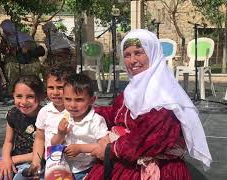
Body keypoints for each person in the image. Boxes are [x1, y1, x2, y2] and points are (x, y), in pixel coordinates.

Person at [85, 29, 212, 180]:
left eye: (138, 53)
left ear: (153, 54)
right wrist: (84, 110)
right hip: (125, 160)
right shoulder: (132, 89)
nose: (132, 61)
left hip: (154, 168)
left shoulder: (163, 96)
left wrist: (109, 149)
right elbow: (114, 113)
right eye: (127, 55)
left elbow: (148, 138)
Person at [0, 75, 44, 180]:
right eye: (19, 96)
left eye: (30, 96)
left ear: (41, 96)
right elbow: (8, 141)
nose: (23, 102)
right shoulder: (13, 114)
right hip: (13, 160)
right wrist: (6, 159)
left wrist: (13, 159)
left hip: (37, 161)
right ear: (13, 96)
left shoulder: (46, 116)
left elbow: (44, 150)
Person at [51, 73, 109, 180]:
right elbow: (54, 145)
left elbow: (105, 147)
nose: (72, 105)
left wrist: (81, 148)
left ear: (91, 100)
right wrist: (60, 134)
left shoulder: (96, 120)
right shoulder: (63, 117)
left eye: (79, 100)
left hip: (87, 169)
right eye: (68, 99)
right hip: (63, 168)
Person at [30, 63, 76, 172]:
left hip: (76, 167)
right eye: (51, 87)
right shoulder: (44, 112)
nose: (55, 92)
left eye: (60, 87)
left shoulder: (76, 110)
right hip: (52, 165)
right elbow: (39, 138)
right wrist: (35, 162)